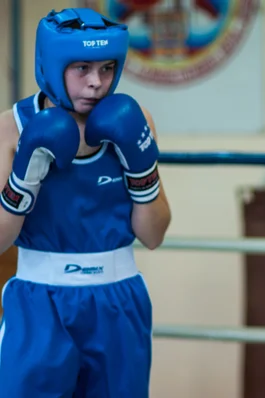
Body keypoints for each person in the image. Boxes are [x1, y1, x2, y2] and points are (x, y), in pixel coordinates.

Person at [0, 7, 171, 397]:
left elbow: (155, 234)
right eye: (82, 68)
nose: (97, 83)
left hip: (118, 300)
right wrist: (23, 180)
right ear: (52, 65)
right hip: (39, 301)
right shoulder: (11, 128)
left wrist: (142, 169)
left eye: (108, 68)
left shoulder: (134, 119)